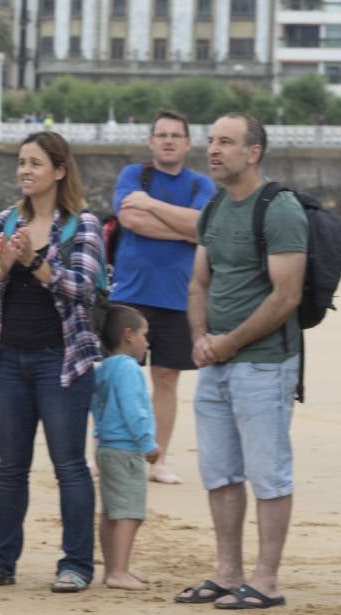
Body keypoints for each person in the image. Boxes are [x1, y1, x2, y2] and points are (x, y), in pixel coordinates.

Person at [0, 130, 103, 594]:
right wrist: (4, 265)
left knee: (69, 465)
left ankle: (77, 564)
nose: (25, 170)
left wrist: (37, 263)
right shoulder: (6, 221)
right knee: (12, 467)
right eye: (22, 162)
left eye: (36, 163)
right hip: (10, 361)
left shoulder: (82, 225)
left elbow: (85, 289)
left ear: (59, 171)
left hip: (61, 362)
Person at [175, 112, 307, 610]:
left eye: (225, 142)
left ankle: (266, 580)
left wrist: (227, 342)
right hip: (215, 362)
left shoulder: (280, 210)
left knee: (268, 473)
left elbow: (287, 295)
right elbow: (199, 282)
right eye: (210, 141)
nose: (212, 150)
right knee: (220, 472)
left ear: (252, 152)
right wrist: (200, 338)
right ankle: (228, 574)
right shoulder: (214, 209)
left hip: (265, 364)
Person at [108, 108, 215, 485]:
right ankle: (109, 454)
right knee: (118, 376)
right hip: (131, 293)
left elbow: (204, 226)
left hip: (179, 295)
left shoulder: (200, 184)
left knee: (166, 377)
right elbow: (130, 220)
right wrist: (186, 228)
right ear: (151, 141)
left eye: (176, 135)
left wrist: (152, 205)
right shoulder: (133, 176)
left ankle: (158, 459)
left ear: (187, 143)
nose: (169, 140)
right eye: (162, 134)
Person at [93, 305, 158, 590]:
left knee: (110, 513)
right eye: (145, 335)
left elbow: (97, 406)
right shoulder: (129, 369)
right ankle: (119, 571)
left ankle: (113, 569)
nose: (148, 342)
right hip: (126, 450)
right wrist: (148, 444)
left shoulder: (104, 368)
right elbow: (135, 410)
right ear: (129, 335)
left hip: (106, 448)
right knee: (131, 512)